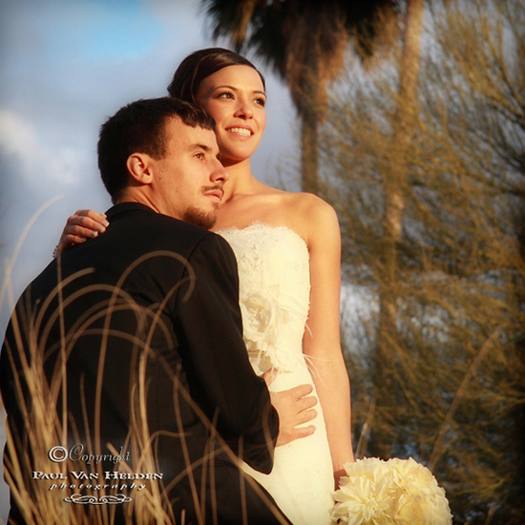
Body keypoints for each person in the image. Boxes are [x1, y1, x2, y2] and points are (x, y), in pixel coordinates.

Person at [56, 48, 355, 525]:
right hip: (188, 435)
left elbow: (326, 354)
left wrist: (347, 476)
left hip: (295, 430)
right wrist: (69, 253)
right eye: (226, 96)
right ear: (191, 108)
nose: (246, 111)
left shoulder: (308, 213)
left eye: (258, 100)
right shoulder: (156, 217)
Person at [0, 97, 300, 524]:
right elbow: (237, 410)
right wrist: (269, 422)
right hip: (179, 504)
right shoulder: (193, 250)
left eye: (217, 156)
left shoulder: (35, 291)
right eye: (199, 155)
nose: (219, 173)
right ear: (142, 168)